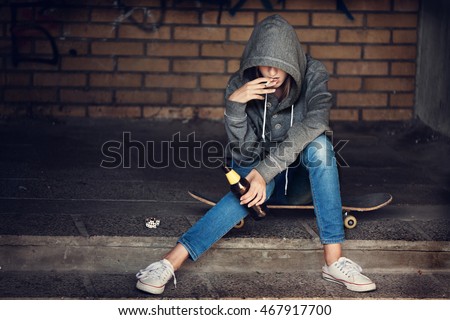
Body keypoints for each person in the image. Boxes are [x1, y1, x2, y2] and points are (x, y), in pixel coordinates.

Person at [135, 14, 376, 294]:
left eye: (280, 65)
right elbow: (244, 152)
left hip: (301, 183)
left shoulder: (313, 74)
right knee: (253, 181)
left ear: (293, 61)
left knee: (320, 145)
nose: (272, 73)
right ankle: (169, 261)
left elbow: (316, 123)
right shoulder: (241, 84)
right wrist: (235, 108)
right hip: (256, 186)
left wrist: (263, 173)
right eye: (266, 64)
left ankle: (334, 262)